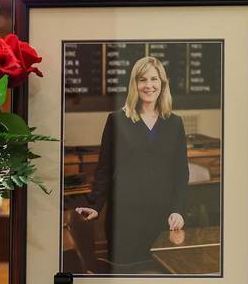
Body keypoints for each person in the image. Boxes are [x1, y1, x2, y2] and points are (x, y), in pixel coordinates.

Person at [75, 55, 189, 267]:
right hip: (125, 219)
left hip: (162, 219)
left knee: (161, 276)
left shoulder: (175, 123)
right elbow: (104, 170)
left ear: (162, 84)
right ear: (134, 84)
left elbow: (181, 173)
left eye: (154, 79)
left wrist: (177, 210)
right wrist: (95, 206)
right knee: (126, 280)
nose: (149, 85)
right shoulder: (117, 120)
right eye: (142, 79)